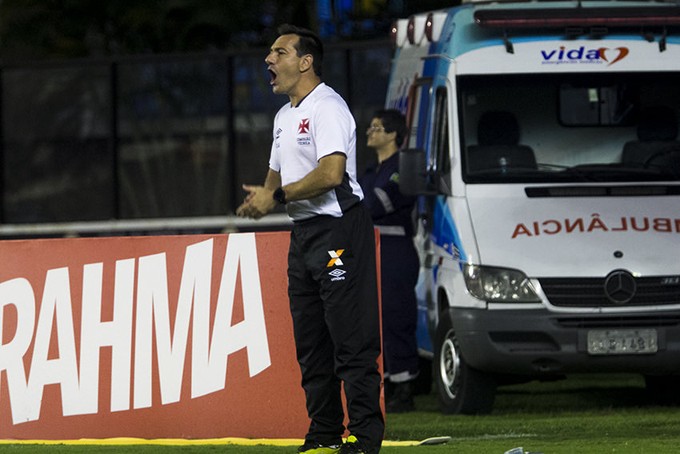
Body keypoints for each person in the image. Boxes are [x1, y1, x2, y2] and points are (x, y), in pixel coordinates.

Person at [236, 24, 384, 454]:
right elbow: (276, 174)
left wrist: (276, 196)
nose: (269, 60)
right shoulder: (285, 116)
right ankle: (322, 433)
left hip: (339, 229)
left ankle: (364, 437)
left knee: (350, 339)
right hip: (303, 235)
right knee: (312, 343)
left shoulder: (328, 107)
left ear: (305, 62)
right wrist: (264, 196)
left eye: (278, 52)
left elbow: (331, 174)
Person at [359, 110, 419, 413]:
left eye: (377, 128)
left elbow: (371, 205)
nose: (370, 132)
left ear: (393, 134)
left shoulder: (401, 169)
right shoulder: (371, 171)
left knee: (396, 317)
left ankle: (404, 386)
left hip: (395, 248)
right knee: (375, 320)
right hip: (372, 248)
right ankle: (385, 382)